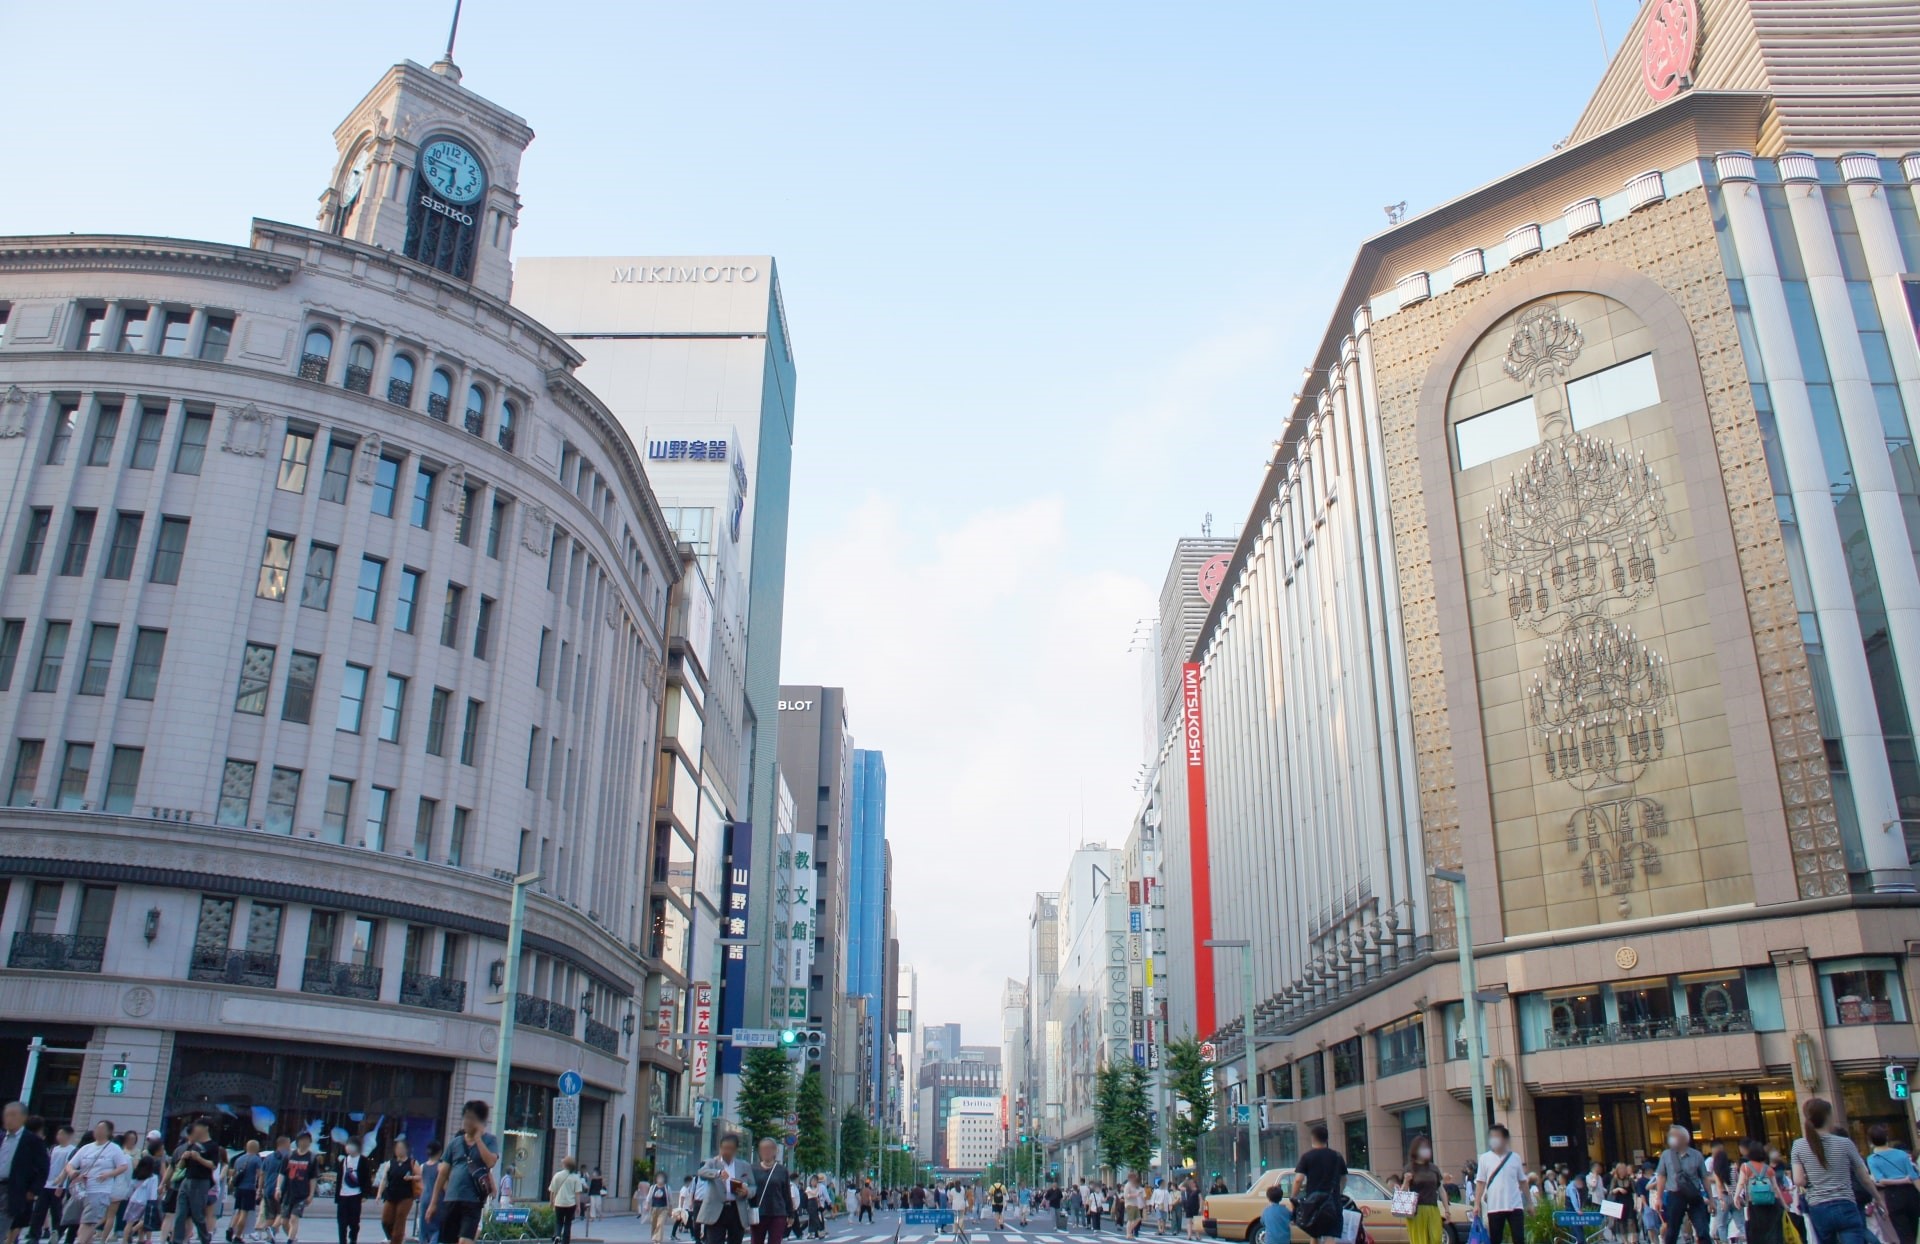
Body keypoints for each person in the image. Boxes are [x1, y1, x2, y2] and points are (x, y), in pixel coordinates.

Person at [1791, 1100, 1885, 1244]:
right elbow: (1864, 1178)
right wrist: (1878, 1199)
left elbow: (1798, 1181)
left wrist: (1812, 1178)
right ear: (1828, 1116)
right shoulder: (1845, 1143)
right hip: (1845, 1203)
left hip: (1818, 1206)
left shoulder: (1799, 1145)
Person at [425, 1102, 497, 1244]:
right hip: (451, 1199)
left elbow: (491, 1162)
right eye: (465, 1118)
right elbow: (442, 1174)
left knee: (465, 1241)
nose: (467, 1122)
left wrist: (478, 1139)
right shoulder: (455, 1143)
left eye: (471, 1118)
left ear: (480, 1122)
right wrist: (433, 1203)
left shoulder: (490, 1140)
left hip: (473, 1201)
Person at [67, 1123, 132, 1244]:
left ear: (109, 1132)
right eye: (97, 1128)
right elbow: (70, 1164)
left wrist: (109, 1174)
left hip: (100, 1190)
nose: (98, 1131)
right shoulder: (86, 1148)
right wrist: (72, 1172)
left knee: (88, 1222)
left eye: (102, 1129)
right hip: (82, 1190)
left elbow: (123, 1166)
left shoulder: (114, 1149)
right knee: (82, 1223)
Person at [1, 1104, 50, 1244]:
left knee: (3, 1224)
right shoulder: (1, 1137)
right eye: (6, 1115)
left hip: (13, 1189)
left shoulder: (32, 1141)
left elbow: (43, 1168)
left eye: (13, 1115)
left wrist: (33, 1190)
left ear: (23, 1118)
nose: (9, 1119)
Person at [1653, 1126, 1712, 1244]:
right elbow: (1661, 1176)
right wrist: (1658, 1198)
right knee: (1672, 1230)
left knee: (1703, 1230)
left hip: (1694, 1195)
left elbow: (1704, 1177)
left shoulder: (1696, 1155)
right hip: (1675, 1195)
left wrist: (1711, 1199)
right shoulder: (1666, 1155)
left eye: (1675, 1136)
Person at [1291, 1124, 1349, 1244]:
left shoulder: (1306, 1157)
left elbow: (1298, 1179)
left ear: (1312, 1139)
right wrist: (1339, 1193)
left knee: (1313, 1234)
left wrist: (1293, 1197)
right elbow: (1344, 1179)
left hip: (1312, 1203)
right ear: (1327, 1139)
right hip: (1332, 1201)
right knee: (1330, 1235)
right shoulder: (1337, 1156)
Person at [1474, 1124, 1528, 1244]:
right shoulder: (1484, 1158)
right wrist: (1476, 1204)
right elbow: (1480, 1182)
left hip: (1515, 1205)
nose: (1494, 1139)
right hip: (1494, 1206)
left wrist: (1529, 1203)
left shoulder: (1515, 1157)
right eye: (1492, 1136)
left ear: (1504, 1139)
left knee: (1519, 1239)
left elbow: (1523, 1182)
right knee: (1496, 1239)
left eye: (1497, 1136)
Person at [693, 1135, 752, 1244]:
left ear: (736, 1150)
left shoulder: (744, 1166)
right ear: (720, 1148)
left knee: (735, 1240)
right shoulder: (712, 1163)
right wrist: (718, 1173)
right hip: (717, 1209)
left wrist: (747, 1191)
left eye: (730, 1148)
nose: (726, 1151)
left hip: (736, 1209)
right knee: (713, 1241)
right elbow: (701, 1172)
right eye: (724, 1148)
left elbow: (754, 1186)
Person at [164, 1121, 216, 1244]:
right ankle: (176, 1240)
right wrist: (183, 1158)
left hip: (200, 1182)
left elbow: (213, 1165)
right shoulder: (192, 1145)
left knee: (197, 1214)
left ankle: (205, 1237)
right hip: (186, 1180)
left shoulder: (212, 1146)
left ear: (205, 1128)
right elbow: (180, 1167)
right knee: (180, 1213)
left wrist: (199, 1158)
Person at [1867, 1125, 1920, 1244]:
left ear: (1870, 1141)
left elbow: (1881, 1181)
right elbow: (1914, 1176)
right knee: (1914, 1230)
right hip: (1911, 1194)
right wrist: (1907, 1181)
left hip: (1893, 1196)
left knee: (1903, 1234)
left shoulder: (1872, 1159)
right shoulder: (1901, 1154)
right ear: (1887, 1138)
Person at [1734, 1139, 1789, 1244]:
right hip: (1770, 1203)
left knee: (1756, 1232)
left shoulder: (1745, 1167)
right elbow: (1776, 1188)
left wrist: (1736, 1196)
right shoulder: (1768, 1169)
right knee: (1770, 1231)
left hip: (1754, 1203)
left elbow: (1741, 1183)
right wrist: (1784, 1204)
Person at [373, 1140, 420, 1244]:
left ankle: (397, 1240)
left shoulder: (412, 1162)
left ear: (406, 1150)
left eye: (402, 1148)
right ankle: (393, 1238)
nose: (399, 1150)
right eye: (397, 1148)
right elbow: (384, 1179)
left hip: (406, 1195)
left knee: (400, 1217)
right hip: (391, 1194)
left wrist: (411, 1177)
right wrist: (379, 1194)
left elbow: (420, 1176)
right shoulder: (390, 1163)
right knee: (386, 1221)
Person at [747, 1140, 792, 1244]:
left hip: (778, 1213)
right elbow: (748, 1189)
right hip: (758, 1213)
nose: (766, 1151)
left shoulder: (782, 1170)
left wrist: (791, 1214)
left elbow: (786, 1193)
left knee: (775, 1241)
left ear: (776, 1151)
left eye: (769, 1148)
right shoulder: (752, 1168)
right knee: (756, 1241)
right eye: (763, 1149)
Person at [1401, 1135, 1445, 1244]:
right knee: (1419, 1240)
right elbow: (1402, 1193)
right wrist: (1406, 1181)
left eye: (1427, 1147)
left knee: (1436, 1239)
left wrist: (1447, 1209)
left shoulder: (1433, 1168)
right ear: (1416, 1150)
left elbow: (1441, 1188)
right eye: (1422, 1147)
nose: (1426, 1150)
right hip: (1416, 1210)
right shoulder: (1409, 1168)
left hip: (1433, 1208)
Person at [276, 1137, 316, 1244]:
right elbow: (281, 1174)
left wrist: (311, 1194)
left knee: (294, 1218)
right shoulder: (289, 1156)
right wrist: (278, 1188)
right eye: (303, 1140)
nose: (305, 1142)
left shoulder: (312, 1158)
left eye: (307, 1140)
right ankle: (292, 1238)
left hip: (302, 1194)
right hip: (288, 1193)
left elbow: (313, 1178)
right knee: (284, 1221)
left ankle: (290, 1240)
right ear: (298, 1142)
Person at [332, 1143, 369, 1244]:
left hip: (356, 1194)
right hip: (343, 1195)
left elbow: (366, 1178)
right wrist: (337, 1196)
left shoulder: (363, 1160)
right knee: (341, 1222)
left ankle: (353, 1238)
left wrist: (365, 1194)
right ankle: (342, 1241)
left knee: (354, 1221)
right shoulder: (344, 1160)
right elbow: (339, 1178)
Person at [225, 1142, 261, 1244]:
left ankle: (231, 1228)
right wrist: (260, 1188)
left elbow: (234, 1173)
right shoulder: (256, 1159)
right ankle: (238, 1236)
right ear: (257, 1148)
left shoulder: (239, 1159)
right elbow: (260, 1174)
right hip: (249, 1188)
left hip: (239, 1188)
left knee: (238, 1211)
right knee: (244, 1213)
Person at [547, 1158, 585, 1244]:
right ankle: (565, 1241)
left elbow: (552, 1191)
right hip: (570, 1204)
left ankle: (557, 1235)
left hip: (558, 1202)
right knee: (568, 1223)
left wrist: (551, 1202)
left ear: (564, 1165)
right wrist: (578, 1206)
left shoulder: (557, 1175)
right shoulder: (576, 1177)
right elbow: (577, 1193)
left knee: (558, 1221)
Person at [123, 1159, 160, 1244]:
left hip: (134, 1200)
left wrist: (127, 1196)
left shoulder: (136, 1175)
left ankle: (125, 1241)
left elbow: (131, 1188)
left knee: (129, 1222)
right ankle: (135, 1232)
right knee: (145, 1220)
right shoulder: (153, 1177)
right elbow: (153, 1192)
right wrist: (154, 1202)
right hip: (146, 1201)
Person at [649, 1178, 672, 1243]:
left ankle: (658, 1239)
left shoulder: (667, 1188)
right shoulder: (653, 1187)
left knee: (660, 1224)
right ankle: (654, 1238)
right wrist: (646, 1205)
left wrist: (670, 1210)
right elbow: (649, 1197)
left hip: (663, 1209)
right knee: (654, 1224)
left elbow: (670, 1200)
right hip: (654, 1208)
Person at [673, 1177, 696, 1241]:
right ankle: (693, 1236)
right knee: (690, 1223)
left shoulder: (687, 1189)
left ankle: (673, 1234)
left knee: (678, 1222)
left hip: (686, 1208)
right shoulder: (684, 1189)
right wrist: (681, 1208)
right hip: (684, 1209)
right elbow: (682, 1199)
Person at [1124, 1175, 1146, 1240]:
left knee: (1138, 1218)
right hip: (1129, 1204)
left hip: (1135, 1204)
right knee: (1130, 1220)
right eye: (1134, 1177)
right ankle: (1128, 1233)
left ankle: (1129, 1231)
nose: (1135, 1179)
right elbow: (1126, 1195)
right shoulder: (1127, 1185)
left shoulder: (1134, 1185)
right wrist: (1135, 1195)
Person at [1182, 1177, 1202, 1242]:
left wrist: (1200, 1207)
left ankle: (1197, 1235)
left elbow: (1200, 1199)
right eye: (1190, 1183)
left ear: (1195, 1183)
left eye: (1193, 1182)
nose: (1192, 1184)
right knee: (1189, 1221)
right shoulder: (1187, 1189)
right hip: (1188, 1207)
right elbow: (1179, 1187)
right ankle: (1189, 1235)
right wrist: (1185, 1181)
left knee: (1196, 1222)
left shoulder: (1197, 1190)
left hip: (1195, 1207)